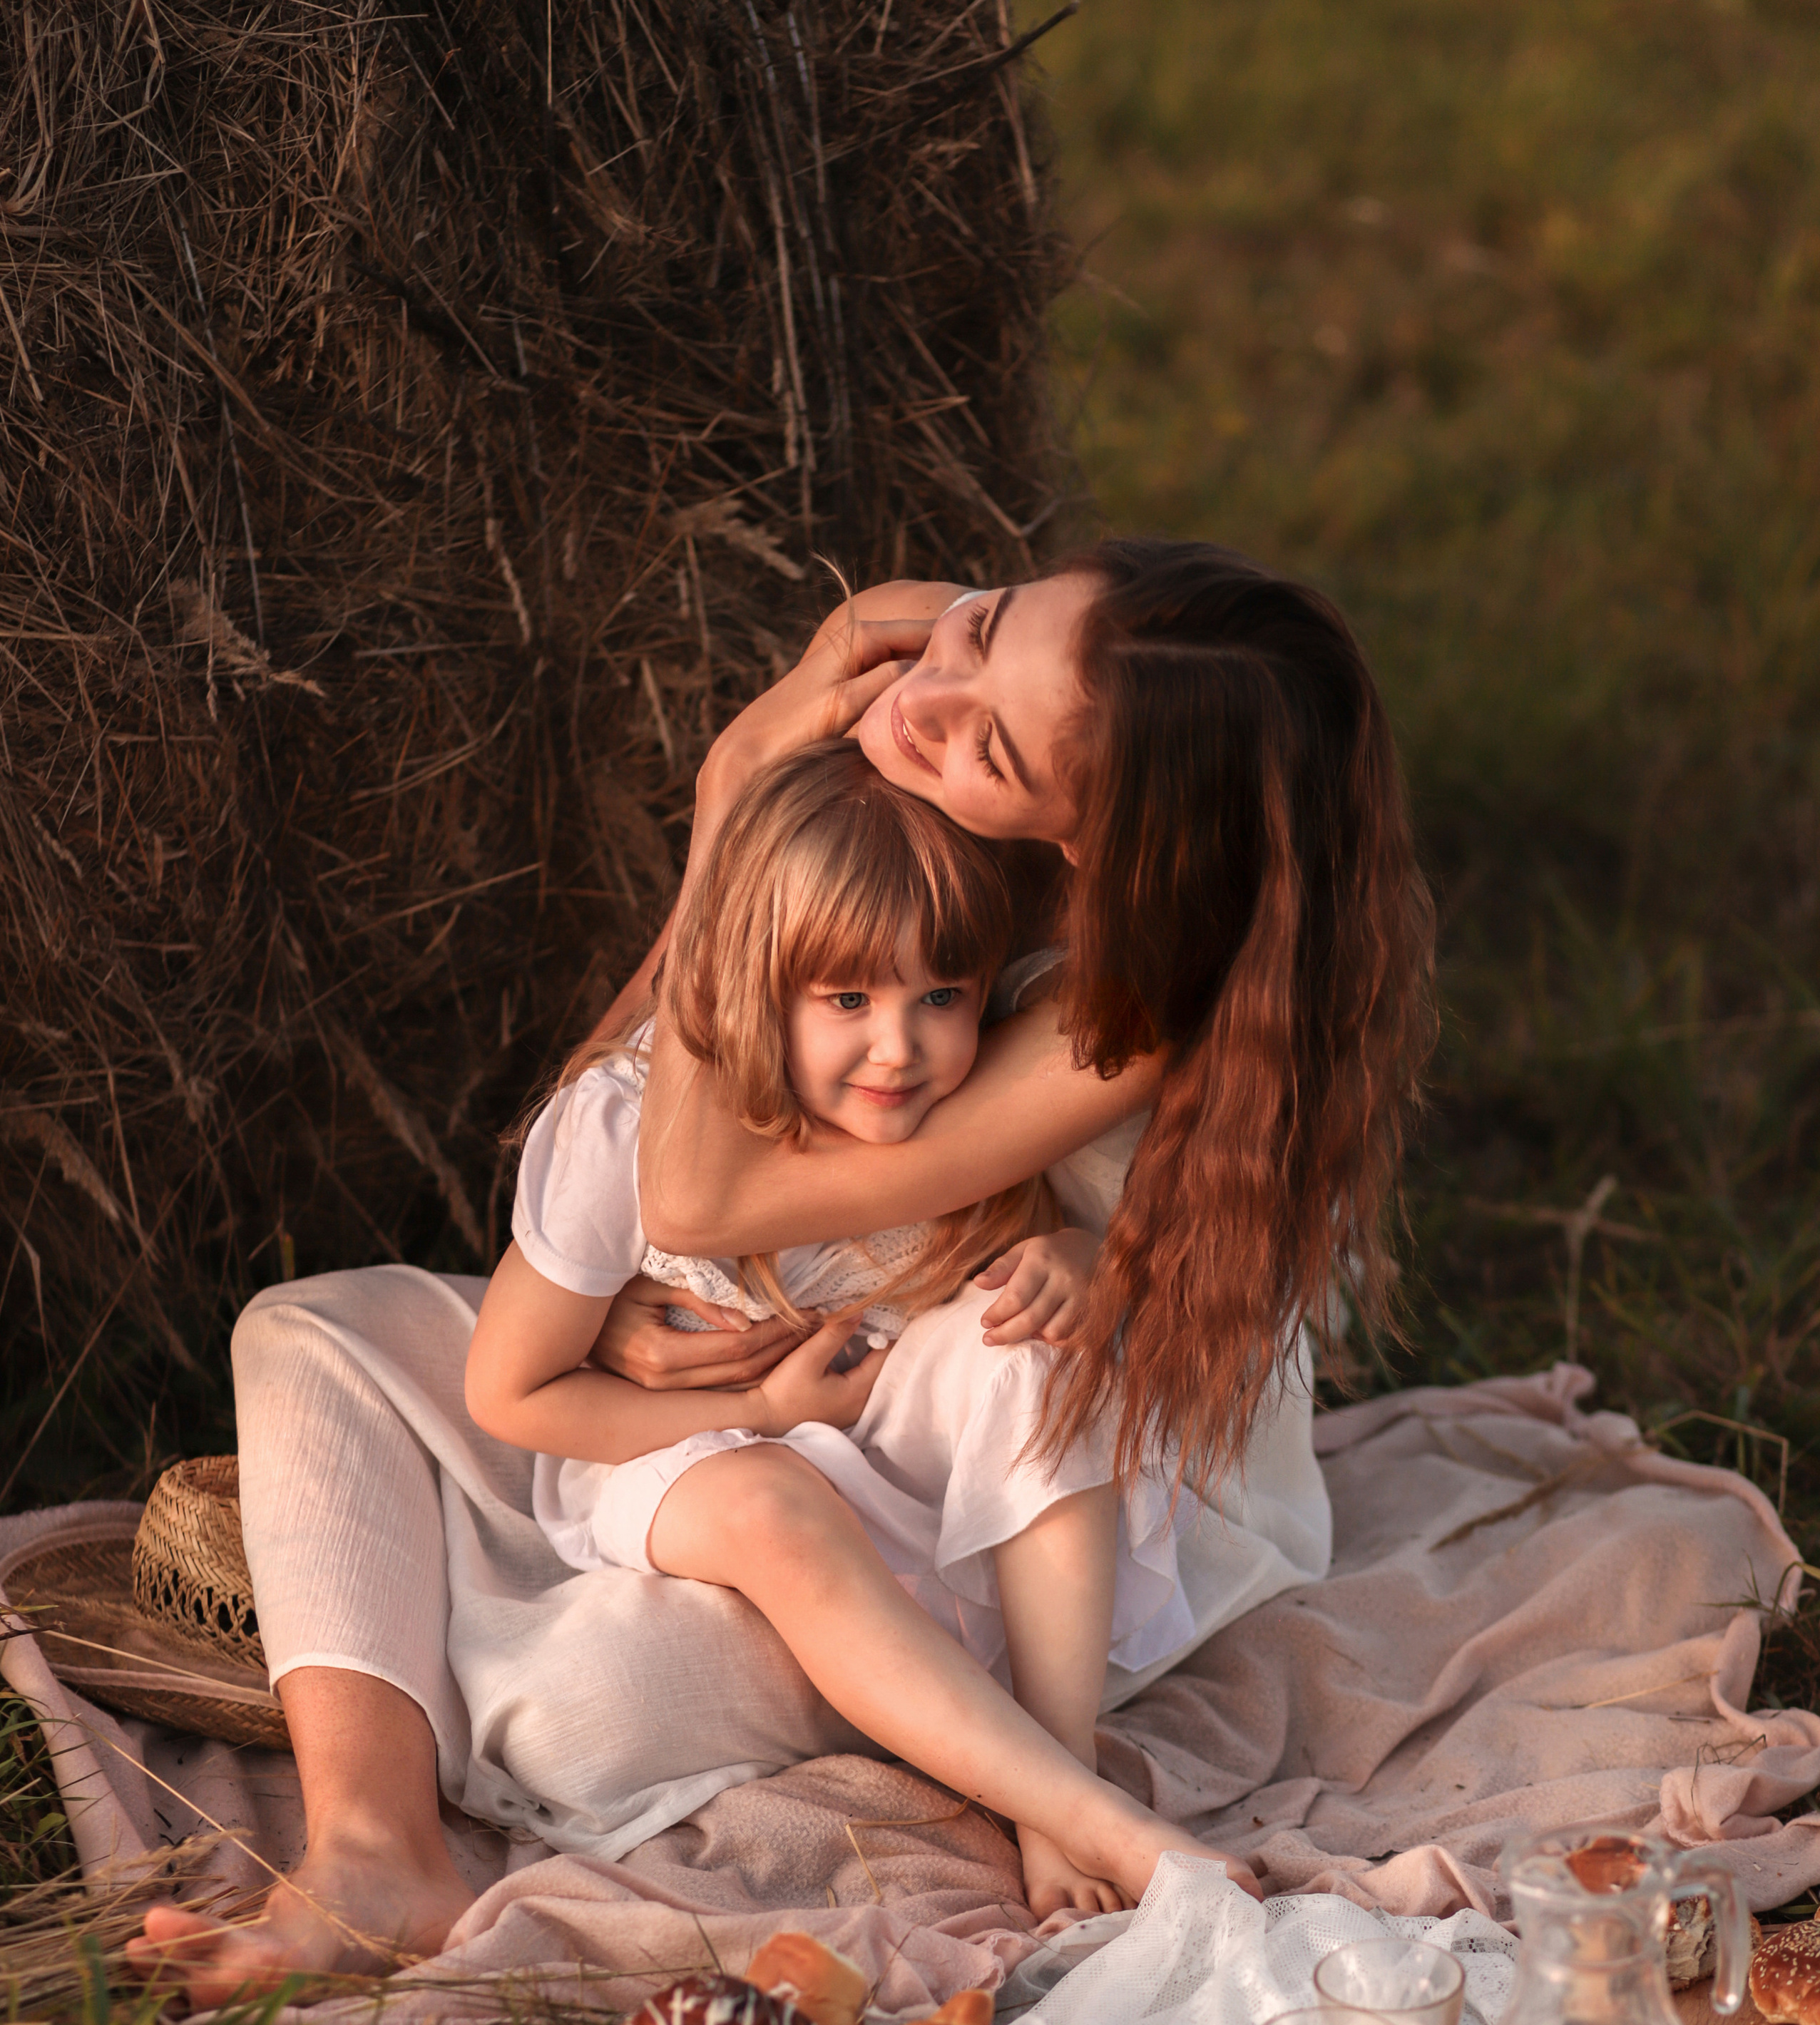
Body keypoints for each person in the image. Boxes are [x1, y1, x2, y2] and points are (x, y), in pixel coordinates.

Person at [130, 540, 1430, 2006]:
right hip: (809, 1348)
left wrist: (738, 780)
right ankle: (376, 1845)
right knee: (307, 1331)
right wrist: (610, 1309)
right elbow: (614, 1104)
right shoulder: (937, 683)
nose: (929, 698)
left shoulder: (1102, 1016)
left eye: (988, 743)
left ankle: (1035, 1774)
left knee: (581, 1718)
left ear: (1086, 848)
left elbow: (692, 1179)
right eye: (981, 624)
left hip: (1051, 1450)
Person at [464, 737, 1255, 1919]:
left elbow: (1087, 1250)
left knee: (1027, 1338)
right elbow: (510, 1393)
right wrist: (758, 1413)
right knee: (770, 1501)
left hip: (882, 1437)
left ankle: (1057, 1764)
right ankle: (1087, 1817)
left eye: (942, 994)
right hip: (683, 1454)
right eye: (846, 999)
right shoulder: (627, 1124)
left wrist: (1086, 1260)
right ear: (752, 979)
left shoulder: (964, 1108)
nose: (901, 1046)